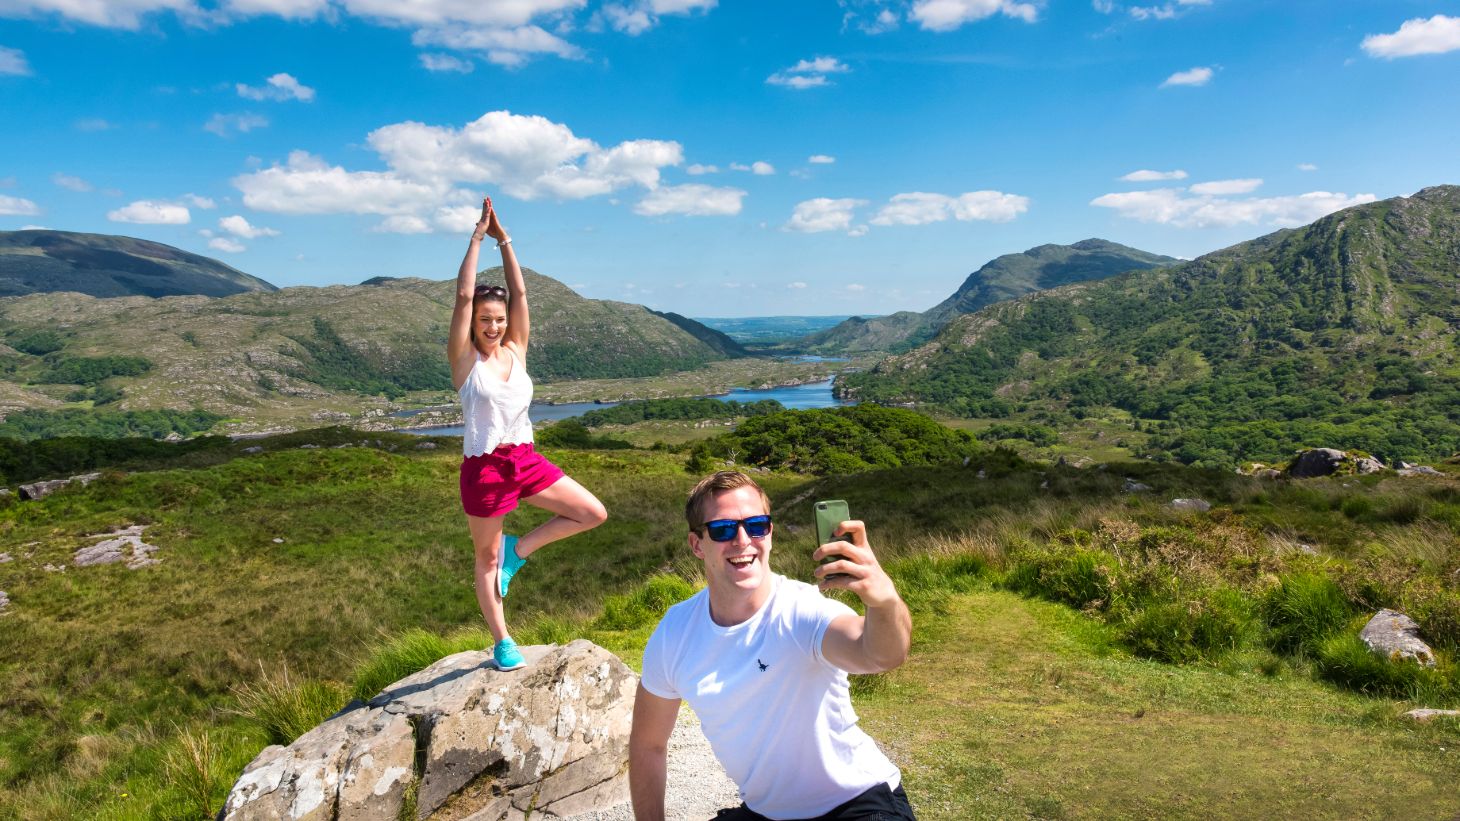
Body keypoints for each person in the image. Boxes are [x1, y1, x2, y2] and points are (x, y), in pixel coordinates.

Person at [629, 471, 916, 821]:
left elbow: (882, 654)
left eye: (756, 525)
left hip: (857, 803)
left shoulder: (803, 610)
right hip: (766, 813)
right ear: (697, 544)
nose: (742, 540)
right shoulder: (674, 633)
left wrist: (884, 602)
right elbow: (648, 744)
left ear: (770, 533)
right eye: (722, 529)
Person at [448, 196, 607, 672]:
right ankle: (502, 641)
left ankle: (522, 549)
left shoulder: (517, 348)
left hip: (524, 459)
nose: (494, 326)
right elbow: (461, 296)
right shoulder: (463, 362)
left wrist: (506, 241)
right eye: (484, 320)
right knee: (485, 558)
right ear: (473, 324)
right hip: (484, 469)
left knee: (592, 513)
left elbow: (521, 297)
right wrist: (477, 238)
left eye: (497, 319)